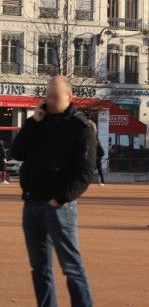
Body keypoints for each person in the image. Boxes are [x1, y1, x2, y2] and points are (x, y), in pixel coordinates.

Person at [10, 75, 96, 306]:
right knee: (39, 268)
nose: (50, 101)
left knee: (71, 267)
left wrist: (59, 199)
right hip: (32, 204)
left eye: (55, 97)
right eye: (47, 97)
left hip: (59, 207)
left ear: (70, 97)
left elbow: (85, 174)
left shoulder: (81, 128)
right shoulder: (40, 122)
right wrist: (33, 123)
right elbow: (17, 152)